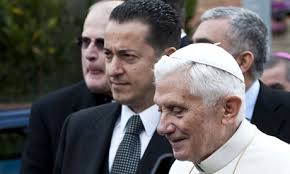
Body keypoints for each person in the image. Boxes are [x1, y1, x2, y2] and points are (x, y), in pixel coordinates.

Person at [53, 0, 181, 174]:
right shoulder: (77, 128)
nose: (113, 70)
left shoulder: (192, 136)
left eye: (127, 56)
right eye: (108, 55)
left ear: (168, 58)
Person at [153, 43, 290, 174]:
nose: (162, 127)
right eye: (160, 110)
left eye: (177, 110)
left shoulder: (282, 165)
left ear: (228, 109)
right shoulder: (180, 168)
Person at [20, 1, 123, 174]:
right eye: (84, 42)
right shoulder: (50, 112)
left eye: (101, 43)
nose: (89, 54)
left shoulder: (161, 108)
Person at [192, 7, 290, 143]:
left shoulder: (285, 110)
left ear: (243, 61)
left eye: (205, 48)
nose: (190, 57)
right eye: (191, 47)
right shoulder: (182, 112)